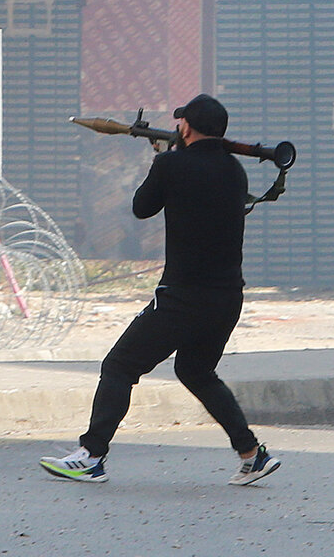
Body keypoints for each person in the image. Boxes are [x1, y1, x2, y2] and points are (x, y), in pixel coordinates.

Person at [39, 93, 281, 486]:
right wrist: (171, 160)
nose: (178, 126)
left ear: (187, 127)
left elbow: (142, 207)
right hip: (227, 297)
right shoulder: (235, 170)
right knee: (196, 371)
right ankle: (252, 455)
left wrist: (163, 161)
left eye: (181, 122)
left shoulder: (172, 164)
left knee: (119, 366)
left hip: (183, 298)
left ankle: (91, 456)